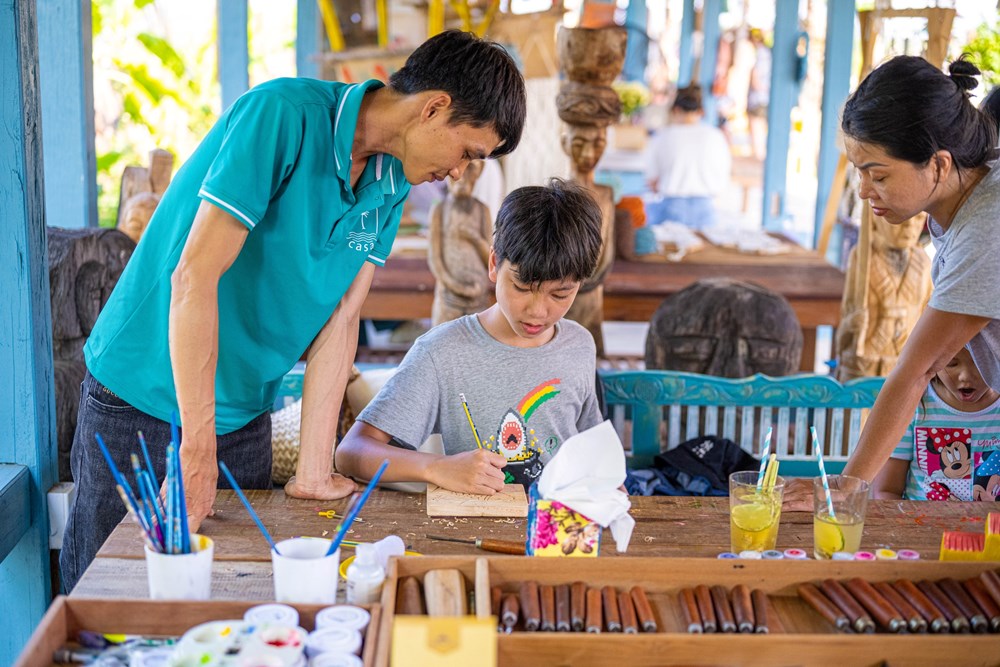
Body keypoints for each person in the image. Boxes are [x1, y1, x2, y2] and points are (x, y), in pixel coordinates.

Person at [60, 30, 526, 591]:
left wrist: (313, 470)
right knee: (110, 604)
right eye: (467, 153)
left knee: (238, 600)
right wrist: (196, 450)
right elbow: (194, 278)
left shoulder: (390, 181)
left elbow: (342, 320)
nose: (459, 172)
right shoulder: (281, 115)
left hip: (242, 415)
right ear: (433, 108)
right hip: (142, 401)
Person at [784, 55, 998, 510]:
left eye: (878, 175)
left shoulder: (986, 228)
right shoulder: (971, 199)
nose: (864, 191)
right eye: (859, 172)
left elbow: (916, 370)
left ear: (939, 165)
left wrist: (845, 486)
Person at [335, 179, 605, 493]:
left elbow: (592, 445)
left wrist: (609, 482)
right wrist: (436, 468)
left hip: (558, 533)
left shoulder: (579, 345)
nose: (537, 311)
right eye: (520, 288)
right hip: (474, 529)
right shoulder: (442, 352)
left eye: (560, 295)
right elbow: (352, 453)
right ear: (494, 264)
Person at [873, 348, 1000, 501]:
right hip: (920, 524)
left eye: (981, 363)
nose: (965, 376)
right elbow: (886, 491)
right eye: (951, 363)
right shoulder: (914, 404)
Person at [644, 85, 732, 230]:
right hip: (707, 211)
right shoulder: (716, 136)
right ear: (701, 111)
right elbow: (724, 177)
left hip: (670, 210)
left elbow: (652, 181)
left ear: (676, 110)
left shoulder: (662, 136)